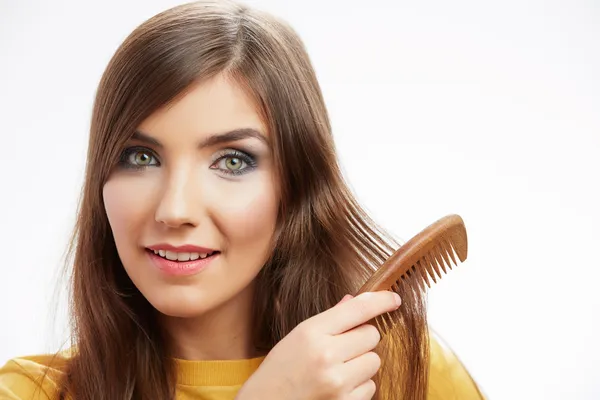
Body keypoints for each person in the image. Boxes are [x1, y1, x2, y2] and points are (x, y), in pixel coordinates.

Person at [0, 1, 485, 399]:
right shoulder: (30, 393)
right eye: (141, 157)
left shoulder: (401, 373)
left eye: (232, 161)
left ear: (295, 184)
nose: (175, 210)